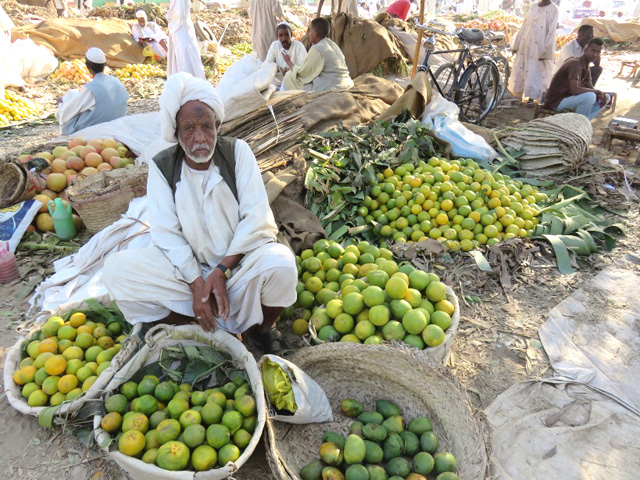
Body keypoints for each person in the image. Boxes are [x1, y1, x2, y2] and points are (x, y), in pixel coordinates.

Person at [103, 73, 297, 354]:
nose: (200, 138)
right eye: (189, 128)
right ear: (177, 132)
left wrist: (221, 271)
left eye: (206, 126)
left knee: (281, 265)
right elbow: (166, 232)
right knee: (117, 271)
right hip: (188, 271)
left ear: (217, 125)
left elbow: (257, 219)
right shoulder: (163, 167)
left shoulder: (237, 153)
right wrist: (197, 282)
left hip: (239, 264)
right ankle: (198, 329)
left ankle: (262, 329)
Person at [55, 48, 129, 135]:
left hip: (99, 129)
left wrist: (61, 104)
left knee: (67, 103)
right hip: (118, 125)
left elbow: (67, 113)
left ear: (87, 66)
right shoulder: (115, 81)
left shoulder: (93, 89)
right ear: (105, 64)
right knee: (72, 93)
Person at [544, 38, 611, 120]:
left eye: (598, 52)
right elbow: (574, 90)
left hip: (570, 99)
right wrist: (596, 92)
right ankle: (579, 124)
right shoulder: (575, 64)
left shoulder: (586, 67)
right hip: (556, 101)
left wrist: (600, 95)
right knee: (590, 97)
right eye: (593, 50)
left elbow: (590, 88)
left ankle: (583, 122)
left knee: (606, 97)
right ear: (586, 50)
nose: (595, 55)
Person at [283, 17, 354, 92]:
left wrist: (288, 62)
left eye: (310, 31)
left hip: (335, 86)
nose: (309, 34)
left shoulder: (317, 49)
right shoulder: (332, 44)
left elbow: (303, 73)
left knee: (289, 77)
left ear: (315, 34)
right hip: (346, 81)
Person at [508, 0, 559, 103]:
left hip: (540, 47)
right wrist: (517, 43)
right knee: (522, 69)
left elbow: (552, 32)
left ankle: (532, 99)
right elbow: (524, 25)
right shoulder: (533, 7)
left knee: (536, 72)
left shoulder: (554, 9)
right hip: (526, 43)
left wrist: (546, 51)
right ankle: (517, 95)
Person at [166, 0, 205, 78]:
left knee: (183, 55)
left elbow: (179, 13)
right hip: (184, 27)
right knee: (188, 52)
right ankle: (189, 76)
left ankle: (186, 78)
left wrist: (168, 16)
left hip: (180, 28)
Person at [264, 22, 307, 88]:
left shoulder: (298, 46)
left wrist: (290, 71)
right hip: (277, 82)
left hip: (294, 81)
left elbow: (304, 66)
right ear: (277, 37)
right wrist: (277, 69)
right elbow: (267, 63)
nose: (284, 38)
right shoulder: (275, 45)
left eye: (286, 35)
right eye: (281, 36)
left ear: (291, 35)